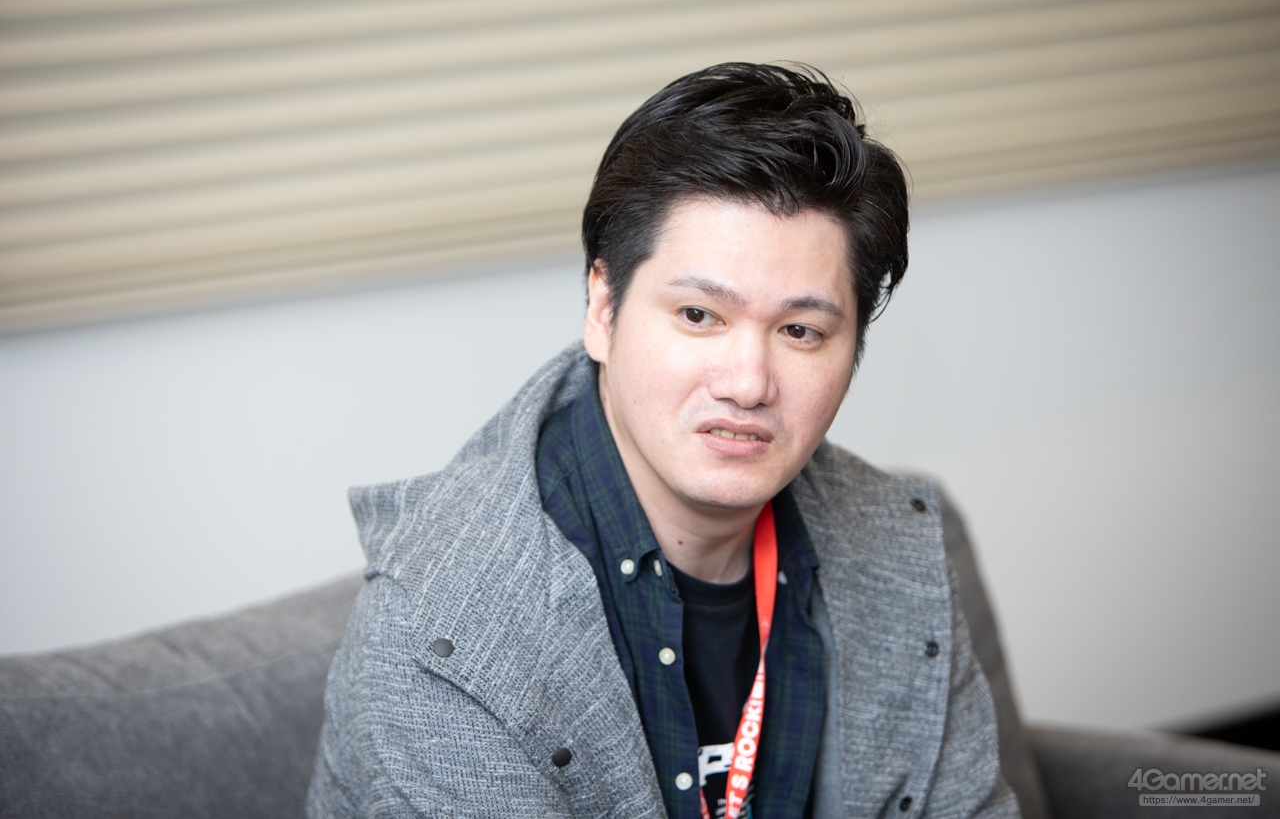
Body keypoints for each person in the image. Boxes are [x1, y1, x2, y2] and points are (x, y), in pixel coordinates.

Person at [307, 62, 1019, 818]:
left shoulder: (898, 548)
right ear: (602, 308)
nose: (747, 383)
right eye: (699, 316)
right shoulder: (445, 632)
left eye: (800, 331)